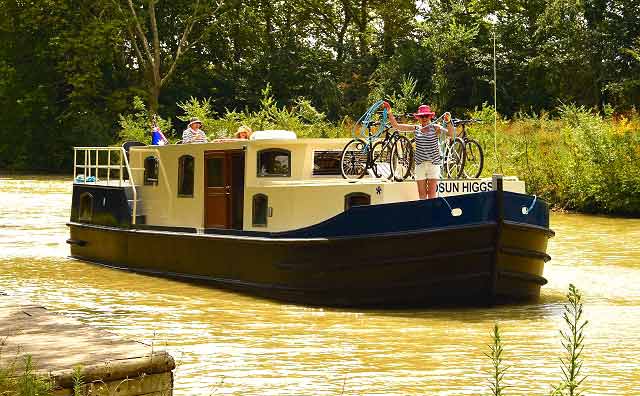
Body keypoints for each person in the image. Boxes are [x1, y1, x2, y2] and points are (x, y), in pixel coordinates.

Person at [384, 102, 454, 200]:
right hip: (420, 164)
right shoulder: (416, 128)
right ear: (418, 118)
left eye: (426, 116)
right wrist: (389, 111)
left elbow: (451, 133)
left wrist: (448, 121)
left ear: (430, 117)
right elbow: (396, 126)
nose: (424, 118)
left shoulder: (435, 128)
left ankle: (431, 213)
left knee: (432, 195)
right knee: (422, 195)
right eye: (422, 116)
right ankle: (424, 213)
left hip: (433, 164)